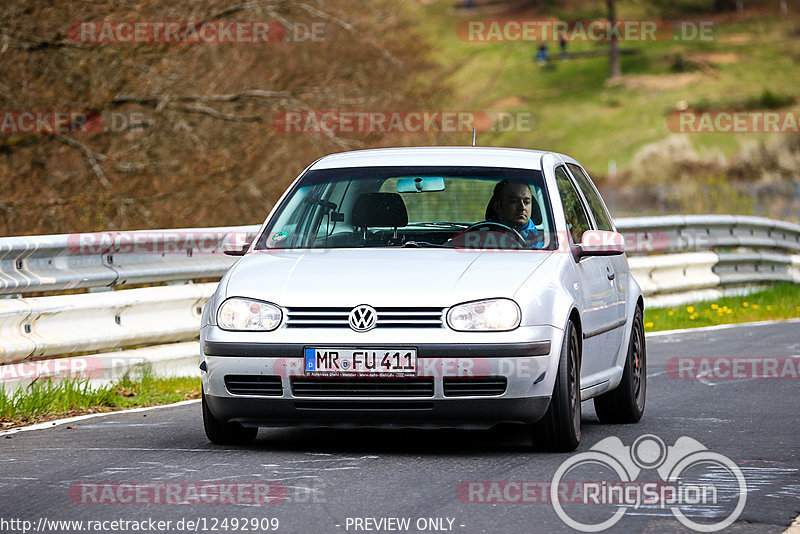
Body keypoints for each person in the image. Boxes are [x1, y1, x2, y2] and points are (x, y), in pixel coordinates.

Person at [486, 179, 540, 246]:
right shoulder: (481, 236)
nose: (522, 207)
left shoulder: (544, 241)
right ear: (498, 207)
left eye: (526, 202)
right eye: (514, 201)